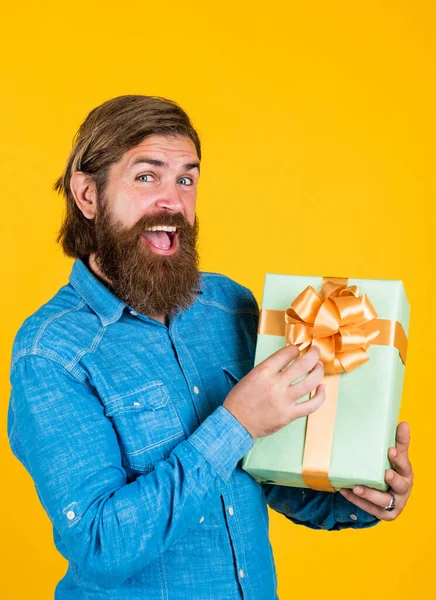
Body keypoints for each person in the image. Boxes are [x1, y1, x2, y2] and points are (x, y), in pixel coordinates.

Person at [7, 95, 413, 600]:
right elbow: (99, 544)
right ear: (87, 195)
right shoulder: (52, 353)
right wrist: (236, 423)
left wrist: (358, 494)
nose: (172, 202)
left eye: (186, 179)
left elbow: (263, 474)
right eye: (146, 176)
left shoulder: (230, 306)